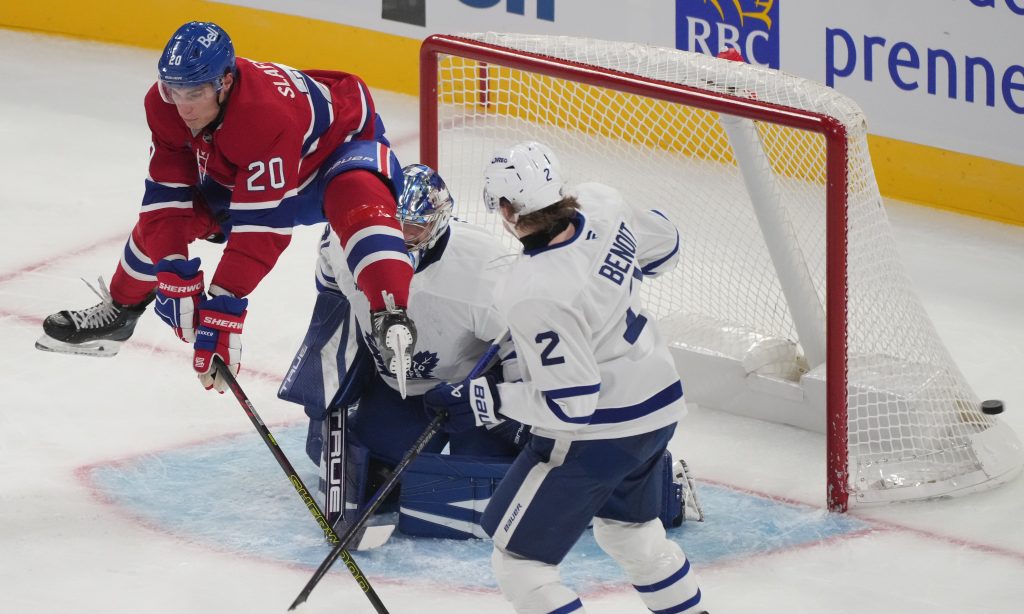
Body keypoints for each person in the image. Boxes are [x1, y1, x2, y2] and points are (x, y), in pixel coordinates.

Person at [35, 21, 416, 394]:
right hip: (246, 159)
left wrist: (222, 307)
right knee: (168, 226)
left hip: (332, 153)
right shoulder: (164, 103)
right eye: (174, 91)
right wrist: (172, 268)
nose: (182, 107)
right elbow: (166, 200)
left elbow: (263, 227)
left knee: (357, 192)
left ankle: (391, 313)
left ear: (225, 82)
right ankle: (120, 312)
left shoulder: (265, 115)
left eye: (195, 93)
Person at [424, 142, 708, 613]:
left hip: (600, 432)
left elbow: (570, 405)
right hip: (658, 408)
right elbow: (666, 249)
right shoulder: (603, 202)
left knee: (520, 564)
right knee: (633, 537)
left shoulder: (532, 290)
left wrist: (493, 398)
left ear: (508, 209)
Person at [279, 163, 528, 539]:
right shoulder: (341, 240)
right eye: (390, 224)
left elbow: (519, 345)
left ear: (440, 223)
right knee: (374, 483)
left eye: (413, 227)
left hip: (467, 392)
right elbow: (332, 298)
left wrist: (496, 401)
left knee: (486, 489)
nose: (399, 238)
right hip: (397, 384)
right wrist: (328, 365)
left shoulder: (483, 266)